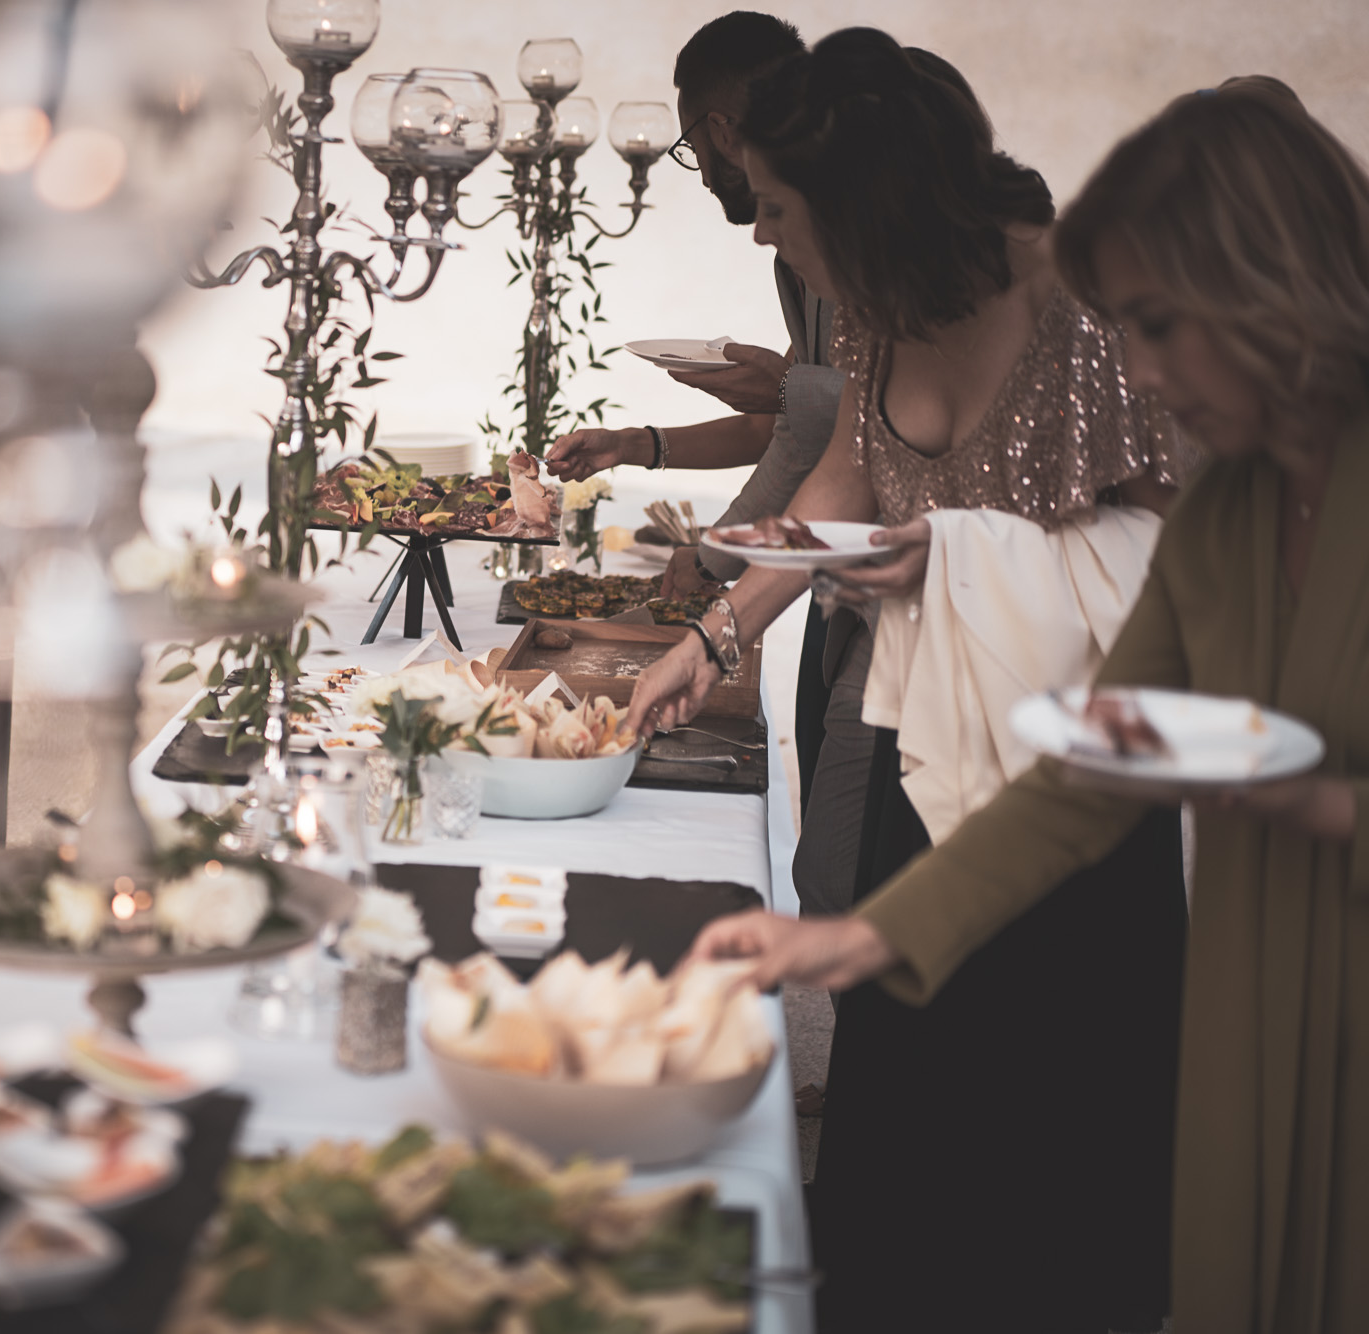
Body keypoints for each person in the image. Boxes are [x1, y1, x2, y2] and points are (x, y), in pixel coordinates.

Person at [695, 84, 1369, 1334]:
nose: (1143, 377)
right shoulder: (1230, 506)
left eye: (1159, 327)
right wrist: (861, 939)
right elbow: (1086, 761)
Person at [629, 29, 1190, 1332]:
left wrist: (965, 556)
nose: (764, 233)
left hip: (1075, 794)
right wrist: (714, 639)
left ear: (865, 201)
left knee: (1045, 1166)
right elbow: (842, 491)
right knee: (902, 1136)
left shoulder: (1089, 311)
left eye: (775, 204)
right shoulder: (880, 313)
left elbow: (1178, 567)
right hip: (917, 752)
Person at [546, 11, 868, 918]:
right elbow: (806, 426)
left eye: (771, 210)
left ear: (721, 130)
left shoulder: (856, 254)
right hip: (826, 580)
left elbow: (827, 439)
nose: (763, 235)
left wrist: (720, 575)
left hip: (877, 595)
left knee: (849, 865)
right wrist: (641, 447)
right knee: (836, 861)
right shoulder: (809, 247)